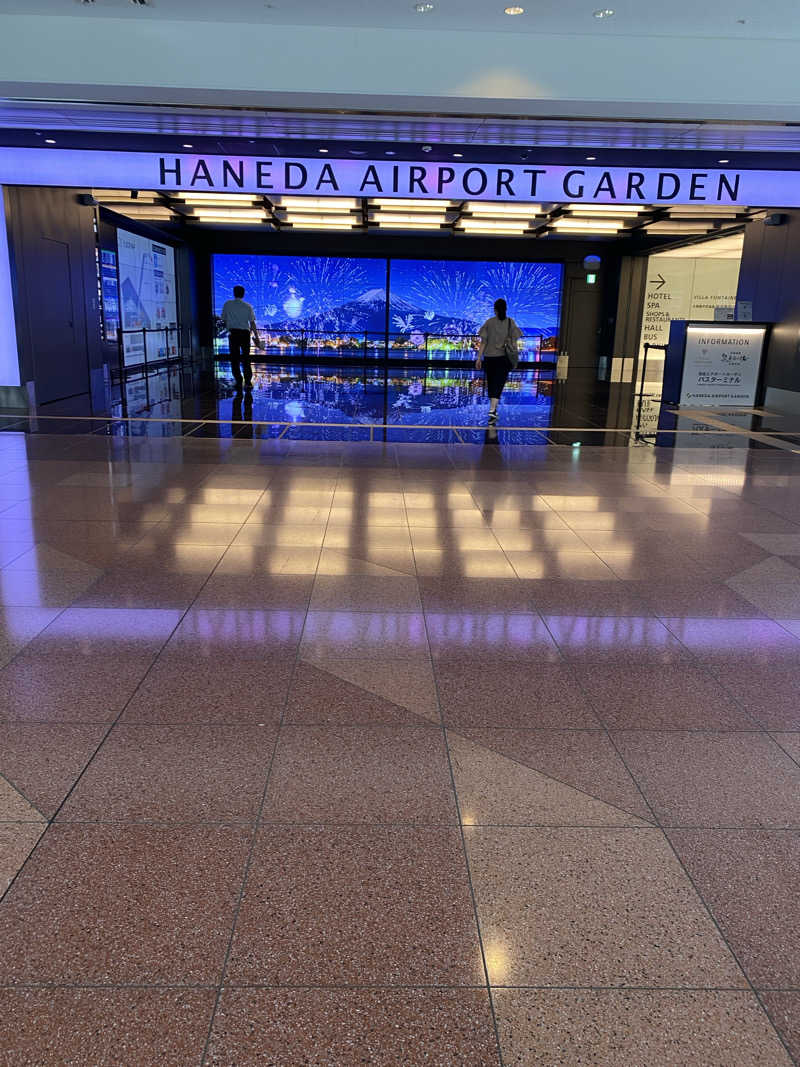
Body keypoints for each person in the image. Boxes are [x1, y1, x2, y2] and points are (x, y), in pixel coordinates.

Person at [476, 298, 523, 426]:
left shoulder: (489, 323)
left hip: (490, 358)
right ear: (505, 309)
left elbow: (483, 342)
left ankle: (492, 409)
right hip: (503, 358)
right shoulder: (510, 322)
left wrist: (479, 358)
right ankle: (493, 409)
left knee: (491, 382)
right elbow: (515, 340)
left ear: (495, 309)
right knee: (499, 383)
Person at [220, 285, 262, 393]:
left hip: (233, 333)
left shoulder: (227, 304)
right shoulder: (248, 306)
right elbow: (252, 323)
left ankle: (238, 380)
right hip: (245, 334)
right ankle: (248, 382)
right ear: (243, 294)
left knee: (234, 358)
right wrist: (257, 337)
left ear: (234, 293)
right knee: (246, 358)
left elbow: (223, 319)